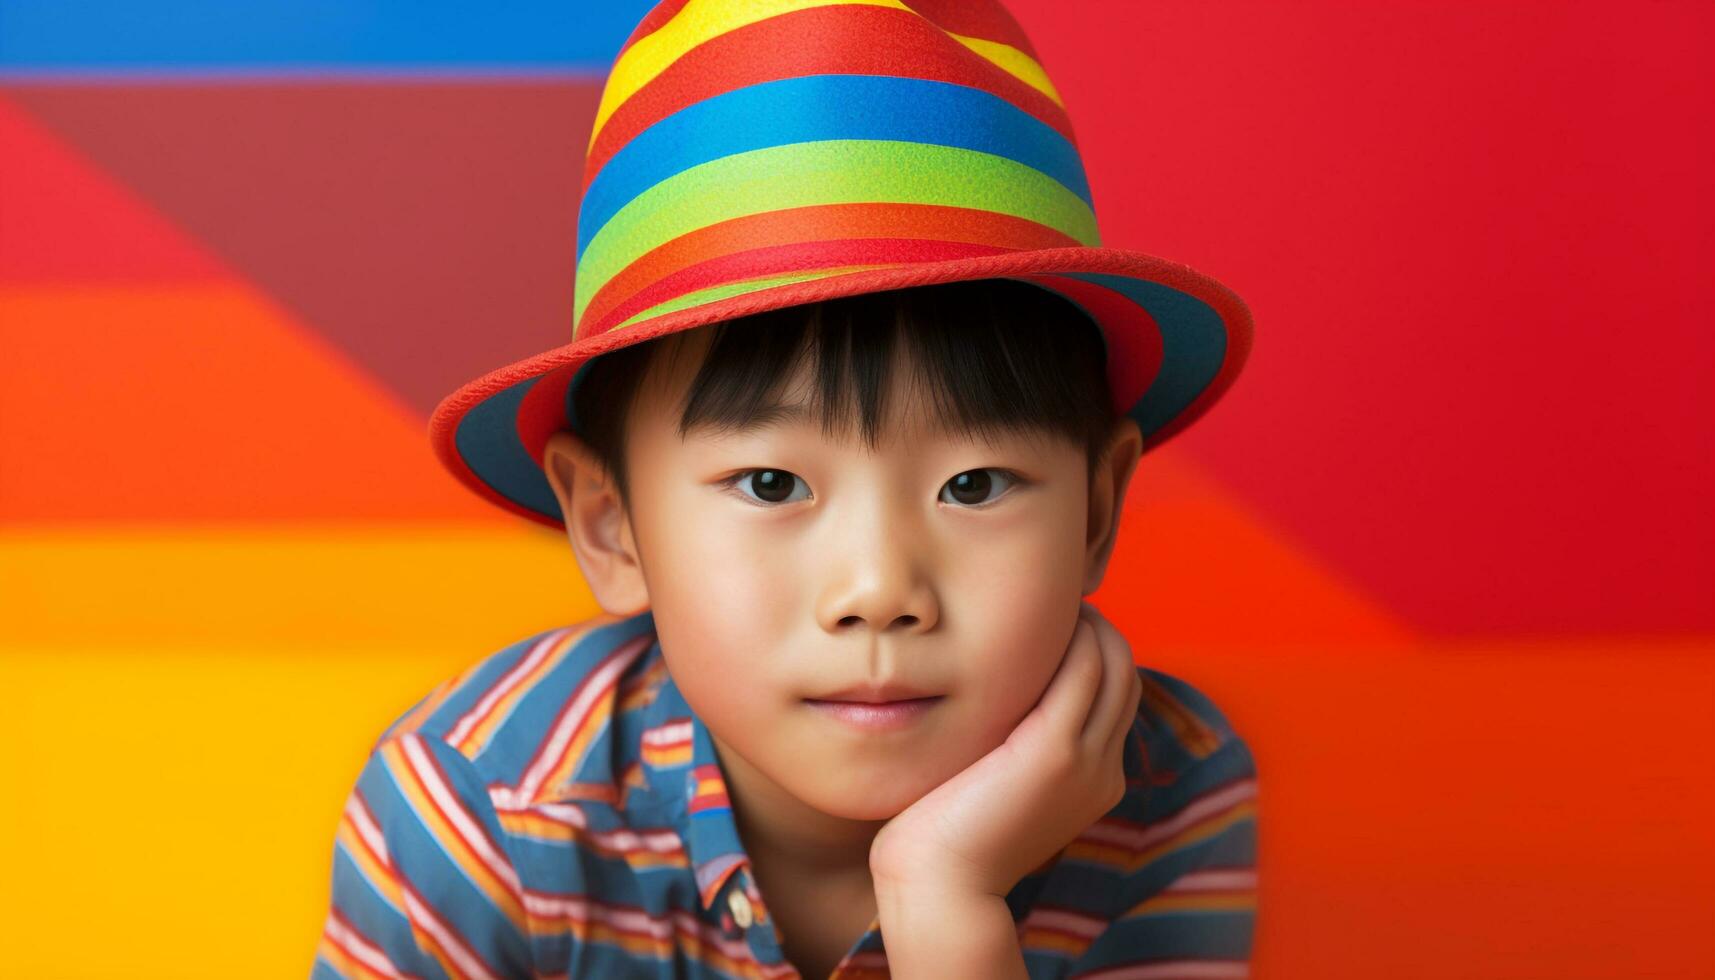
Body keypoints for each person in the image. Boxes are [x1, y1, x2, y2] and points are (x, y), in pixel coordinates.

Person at [313, 2, 1259, 978]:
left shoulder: (1164, 792)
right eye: (771, 481)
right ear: (610, 525)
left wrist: (947, 901)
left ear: (1097, 512)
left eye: (972, 484)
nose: (877, 589)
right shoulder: (479, 812)